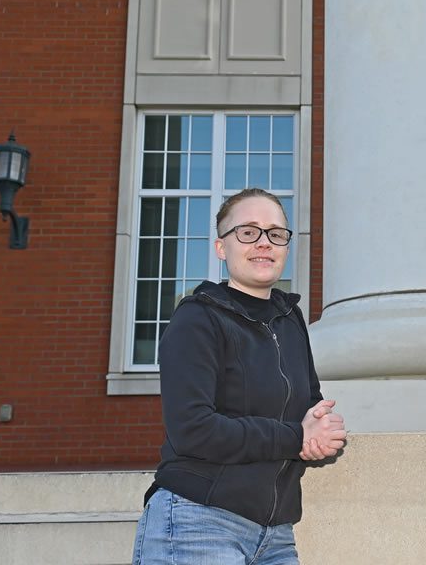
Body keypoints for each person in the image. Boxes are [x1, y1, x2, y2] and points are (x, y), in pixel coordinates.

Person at [132, 188, 346, 565]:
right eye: (248, 232)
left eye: (276, 233)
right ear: (220, 247)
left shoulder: (290, 322)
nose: (264, 243)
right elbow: (194, 429)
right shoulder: (198, 318)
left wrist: (322, 434)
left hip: (275, 534)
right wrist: (298, 436)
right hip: (198, 522)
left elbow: (308, 409)